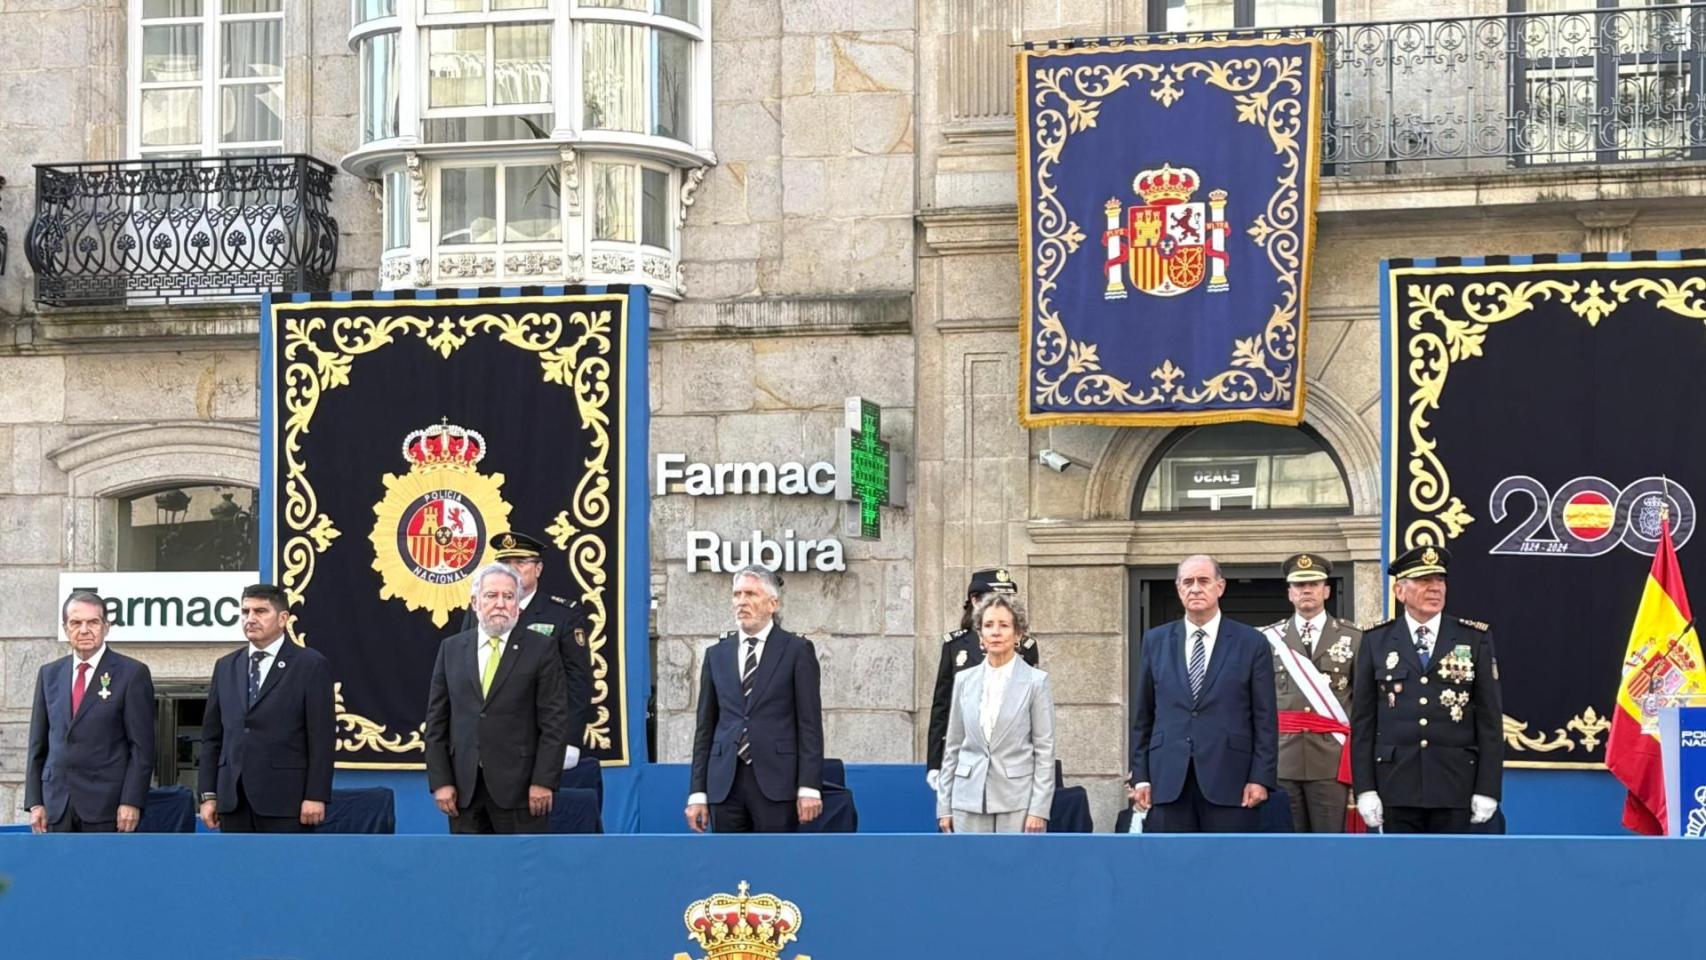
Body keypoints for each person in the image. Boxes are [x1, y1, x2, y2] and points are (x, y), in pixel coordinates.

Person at [1352, 545, 1503, 834]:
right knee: (1399, 873)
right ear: (1400, 591)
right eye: (1424, 581)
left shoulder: (1473, 638)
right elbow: (1363, 722)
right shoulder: (1376, 640)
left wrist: (1488, 788)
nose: (1435, 588)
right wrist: (1365, 789)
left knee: (1453, 873)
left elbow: (1489, 721)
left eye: (1440, 581)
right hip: (1395, 784)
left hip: (1455, 783)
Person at [1129, 555, 1278, 833]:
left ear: (1220, 587)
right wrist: (1141, 777)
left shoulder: (1251, 642)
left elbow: (1265, 718)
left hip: (1232, 781)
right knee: (1171, 868)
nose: (1195, 588)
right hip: (1168, 781)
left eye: (1203, 581)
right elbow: (1143, 714)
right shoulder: (1155, 640)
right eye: (1187, 582)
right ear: (1178, 588)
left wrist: (1260, 777)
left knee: (1228, 869)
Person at [426, 563, 571, 833]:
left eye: (508, 596)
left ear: (518, 605)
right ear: (475, 602)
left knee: (519, 873)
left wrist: (544, 781)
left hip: (522, 791)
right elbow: (436, 722)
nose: (500, 604)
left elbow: (554, 723)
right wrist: (441, 781)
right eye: (491, 596)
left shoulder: (542, 649)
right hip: (463, 791)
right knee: (469, 870)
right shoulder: (452, 649)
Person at [685, 565, 825, 833]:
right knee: (728, 867)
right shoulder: (717, 655)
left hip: (777, 782)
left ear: (773, 603)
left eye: (750, 594)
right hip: (725, 783)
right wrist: (697, 793)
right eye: (737, 595)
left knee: (774, 868)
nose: (741, 602)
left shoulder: (797, 651)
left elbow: (809, 724)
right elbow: (705, 727)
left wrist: (809, 786)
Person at [199, 583, 335, 833]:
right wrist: (209, 795)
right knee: (236, 871)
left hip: (286, 802)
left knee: (284, 871)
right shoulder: (226, 666)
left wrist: (316, 795)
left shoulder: (310, 665)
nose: (250, 619)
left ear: (283, 618)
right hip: (233, 801)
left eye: (260, 611)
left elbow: (321, 737)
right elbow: (212, 738)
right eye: (245, 612)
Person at [460, 530, 594, 769]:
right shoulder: (479, 611)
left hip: (539, 738)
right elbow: (465, 674)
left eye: (520, 563)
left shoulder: (561, 614)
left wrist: (569, 739)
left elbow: (577, 681)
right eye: (504, 563)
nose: (511, 570)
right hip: (487, 741)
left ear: (538, 569)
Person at [24, 591, 155, 833]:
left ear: (106, 627)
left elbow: (142, 748)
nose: (84, 630)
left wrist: (131, 801)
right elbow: (37, 745)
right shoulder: (49, 674)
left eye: (93, 622)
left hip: (108, 806)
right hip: (56, 805)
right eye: (75, 623)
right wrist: (35, 802)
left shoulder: (132, 673)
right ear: (65, 629)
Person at [936, 593, 1055, 833]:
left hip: (1017, 802)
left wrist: (1038, 810)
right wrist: (944, 806)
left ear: (1018, 634)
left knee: (1016, 869)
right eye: (988, 625)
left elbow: (1045, 750)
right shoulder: (964, 680)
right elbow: (953, 747)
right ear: (980, 634)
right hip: (966, 799)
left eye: (1004, 625)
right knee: (969, 870)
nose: (996, 632)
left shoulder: (1036, 682)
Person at [1260, 553, 1361, 832]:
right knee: (1286, 846)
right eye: (1299, 585)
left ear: (1326, 591)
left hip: (1330, 762)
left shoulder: (1353, 638)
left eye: (1314, 584)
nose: (1306, 590)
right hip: (1283, 760)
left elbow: (1363, 705)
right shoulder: (1268, 639)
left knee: (1330, 846)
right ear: (1290, 593)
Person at [926, 567, 1040, 791]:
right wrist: (934, 763)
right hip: (965, 756)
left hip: (1010, 758)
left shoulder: (1025, 646)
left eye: (1006, 599)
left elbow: (1032, 710)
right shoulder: (955, 646)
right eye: (994, 599)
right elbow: (942, 707)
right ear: (975, 600)